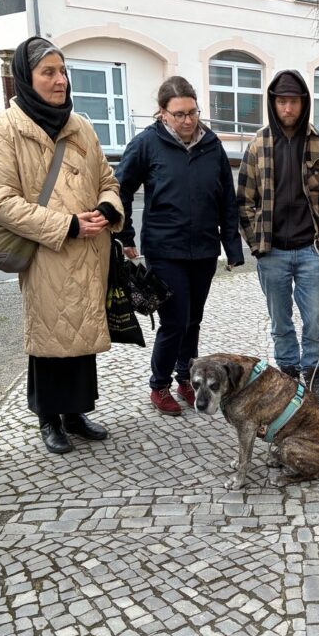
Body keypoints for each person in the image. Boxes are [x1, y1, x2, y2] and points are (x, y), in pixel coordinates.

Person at [0, 36, 123, 455]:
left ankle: (76, 411)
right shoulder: (4, 129)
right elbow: (0, 199)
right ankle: (49, 416)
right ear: (27, 79)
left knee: (81, 331)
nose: (60, 80)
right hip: (48, 251)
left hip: (88, 251)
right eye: (48, 72)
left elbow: (107, 180)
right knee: (50, 336)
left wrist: (107, 208)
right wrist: (65, 225)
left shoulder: (79, 125)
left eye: (62, 71)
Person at [116, 76, 244, 416]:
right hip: (165, 248)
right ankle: (158, 384)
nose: (188, 121)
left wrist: (232, 247)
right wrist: (125, 234)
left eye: (193, 112)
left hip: (203, 249)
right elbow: (121, 189)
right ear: (162, 114)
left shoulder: (211, 144)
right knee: (174, 320)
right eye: (179, 114)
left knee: (194, 319)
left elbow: (226, 200)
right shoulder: (146, 144)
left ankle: (185, 379)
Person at [238, 70, 319, 404]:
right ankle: (288, 373)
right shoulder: (258, 145)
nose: (287, 108)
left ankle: (314, 373)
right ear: (273, 103)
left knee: (315, 318)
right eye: (281, 101)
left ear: (303, 103)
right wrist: (258, 244)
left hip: (311, 250)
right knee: (280, 320)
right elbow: (244, 200)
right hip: (273, 252)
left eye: (293, 101)